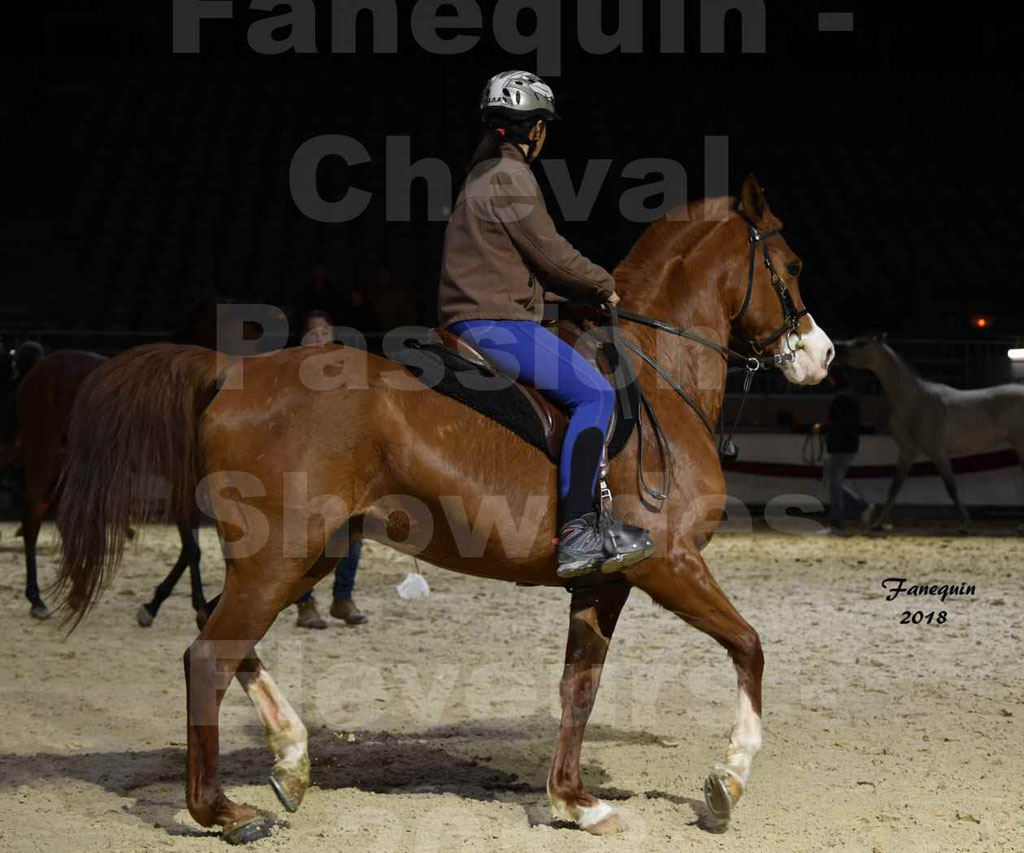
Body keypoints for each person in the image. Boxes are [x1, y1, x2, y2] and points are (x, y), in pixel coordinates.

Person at [437, 70, 653, 578]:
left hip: (479, 316)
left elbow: (516, 269)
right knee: (595, 395)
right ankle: (579, 531)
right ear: (533, 128)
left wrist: (564, 300)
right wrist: (604, 285)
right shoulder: (511, 177)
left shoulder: (480, 175)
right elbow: (552, 255)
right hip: (496, 325)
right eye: (544, 126)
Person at [293, 310, 368, 629]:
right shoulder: (294, 373)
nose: (321, 339)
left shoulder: (346, 372)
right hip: (307, 465)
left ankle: (342, 598)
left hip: (341, 464)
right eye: (314, 334)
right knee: (305, 540)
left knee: (351, 534)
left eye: (326, 333)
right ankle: (305, 603)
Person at [813, 369, 871, 534]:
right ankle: (860, 508)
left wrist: (823, 427)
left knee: (834, 485)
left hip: (840, 446)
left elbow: (838, 423)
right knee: (834, 483)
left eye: (831, 379)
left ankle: (838, 524)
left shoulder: (841, 398)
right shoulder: (852, 397)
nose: (830, 382)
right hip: (849, 445)